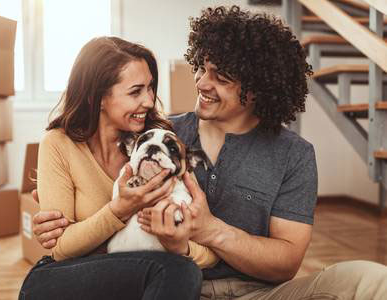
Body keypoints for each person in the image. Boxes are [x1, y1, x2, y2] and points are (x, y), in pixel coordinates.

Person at [32, 5, 387, 300]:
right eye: (202, 67)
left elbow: (286, 262)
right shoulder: (160, 135)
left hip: (258, 293)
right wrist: (56, 216)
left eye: (221, 76)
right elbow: (104, 189)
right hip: (171, 287)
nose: (201, 82)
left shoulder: (294, 154)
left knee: (370, 281)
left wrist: (209, 230)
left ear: (259, 88)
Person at [18, 36, 207, 300]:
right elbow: (61, 249)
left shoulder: (160, 144)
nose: (150, 101)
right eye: (136, 91)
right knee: (174, 272)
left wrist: (181, 247)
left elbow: (201, 243)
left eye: (151, 88)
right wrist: (120, 209)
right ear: (98, 97)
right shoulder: (58, 144)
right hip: (65, 277)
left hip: (148, 275)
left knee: (179, 271)